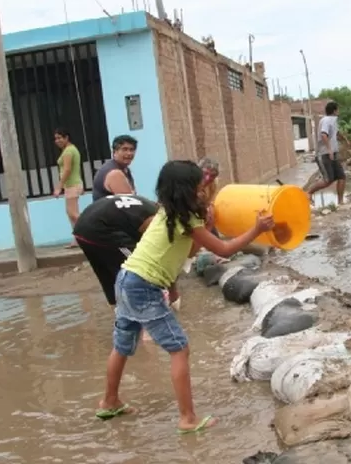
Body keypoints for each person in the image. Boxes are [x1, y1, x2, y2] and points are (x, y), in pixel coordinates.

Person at [97, 160, 275, 434]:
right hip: (144, 286)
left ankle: (109, 402)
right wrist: (257, 230)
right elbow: (225, 250)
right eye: (198, 184)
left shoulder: (167, 212)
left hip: (125, 279)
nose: (202, 187)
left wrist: (206, 223)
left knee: (122, 345)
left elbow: (189, 252)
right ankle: (187, 419)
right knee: (179, 349)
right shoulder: (187, 219)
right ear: (188, 189)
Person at [73, 194, 158, 306]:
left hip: (81, 229)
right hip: (99, 229)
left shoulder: (144, 204)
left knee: (108, 277)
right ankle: (144, 307)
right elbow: (151, 246)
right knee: (139, 267)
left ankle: (119, 311)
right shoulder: (155, 217)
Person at [305, 101, 350, 205]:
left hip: (333, 153)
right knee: (328, 180)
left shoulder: (333, 121)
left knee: (341, 177)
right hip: (324, 154)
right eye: (338, 109)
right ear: (334, 111)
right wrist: (329, 149)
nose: (339, 111)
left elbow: (336, 132)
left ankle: (340, 202)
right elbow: (324, 135)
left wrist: (345, 139)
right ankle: (309, 193)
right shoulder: (326, 120)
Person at [52, 128, 83, 248]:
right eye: (56, 138)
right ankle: (77, 239)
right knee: (71, 214)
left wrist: (59, 186)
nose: (57, 140)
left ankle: (89, 233)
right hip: (72, 185)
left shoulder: (69, 151)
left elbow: (68, 169)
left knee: (73, 214)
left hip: (72, 185)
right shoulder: (69, 150)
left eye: (60, 138)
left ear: (66, 138)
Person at [93, 135, 138, 201]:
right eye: (124, 149)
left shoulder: (125, 169)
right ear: (114, 152)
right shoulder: (115, 173)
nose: (129, 153)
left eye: (131, 150)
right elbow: (130, 203)